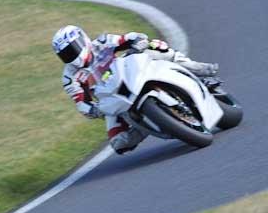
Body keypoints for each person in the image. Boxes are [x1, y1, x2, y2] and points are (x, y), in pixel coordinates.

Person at [52, 25, 219, 154]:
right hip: (113, 99)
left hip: (130, 72)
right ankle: (148, 124)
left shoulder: (102, 42)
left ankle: (196, 68)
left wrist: (137, 41)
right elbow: (80, 102)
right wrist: (93, 110)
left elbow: (128, 38)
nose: (71, 56)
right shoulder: (69, 77)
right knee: (119, 144)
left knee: (155, 47)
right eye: (66, 54)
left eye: (72, 49)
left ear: (84, 39)